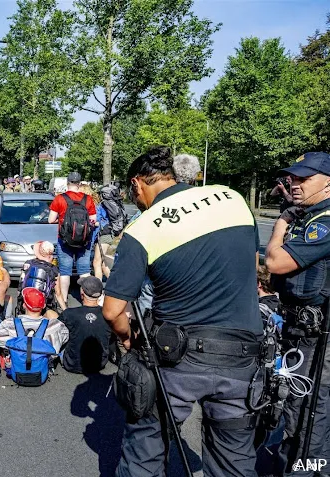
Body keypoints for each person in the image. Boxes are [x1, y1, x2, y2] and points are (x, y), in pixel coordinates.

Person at [102, 146, 263, 477]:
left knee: (145, 452)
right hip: (242, 354)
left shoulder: (143, 228)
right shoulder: (232, 199)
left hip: (175, 359)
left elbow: (112, 310)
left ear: (138, 184)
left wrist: (128, 338)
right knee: (234, 460)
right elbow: (254, 267)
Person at [264, 152, 330, 476]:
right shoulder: (308, 216)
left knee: (311, 407)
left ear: (328, 184)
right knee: (296, 402)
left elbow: (275, 262)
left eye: (305, 178)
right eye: (294, 177)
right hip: (299, 330)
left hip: (319, 340)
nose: (296, 183)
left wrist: (281, 222)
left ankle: (306, 469)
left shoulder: (324, 221)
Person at [48, 171, 96, 305]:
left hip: (65, 240)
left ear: (67, 183)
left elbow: (51, 220)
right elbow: (93, 220)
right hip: (84, 241)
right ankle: (87, 300)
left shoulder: (59, 199)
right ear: (79, 184)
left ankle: (63, 300)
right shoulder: (88, 199)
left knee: (65, 272)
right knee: (84, 271)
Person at [56, 276, 110, 374]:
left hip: (72, 364)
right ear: (101, 294)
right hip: (99, 364)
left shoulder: (69, 313)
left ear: (82, 294)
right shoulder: (108, 314)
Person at [0, 288, 68, 353]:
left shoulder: (9, 323)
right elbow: (65, 337)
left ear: (24, 305)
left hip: (17, 364)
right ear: (44, 306)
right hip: (43, 364)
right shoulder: (55, 325)